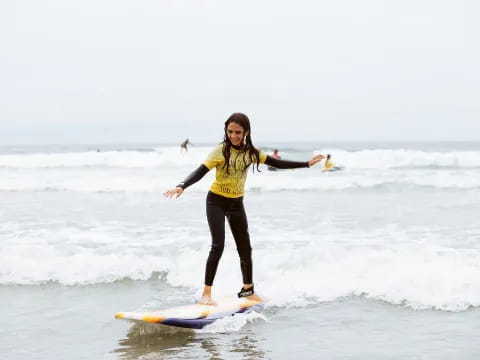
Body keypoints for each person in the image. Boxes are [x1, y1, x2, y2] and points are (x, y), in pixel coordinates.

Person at [164, 113, 324, 305]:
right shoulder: (220, 151)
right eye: (230, 131)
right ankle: (206, 294)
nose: (233, 136)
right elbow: (200, 171)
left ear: (246, 132)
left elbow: (277, 163)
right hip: (216, 201)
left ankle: (248, 290)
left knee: (245, 248)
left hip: (236, 203)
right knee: (218, 245)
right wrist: (182, 185)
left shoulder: (252, 153)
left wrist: (306, 163)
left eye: (238, 132)